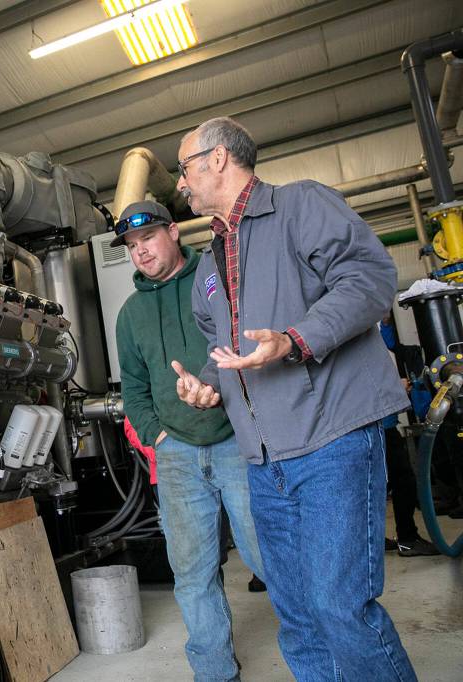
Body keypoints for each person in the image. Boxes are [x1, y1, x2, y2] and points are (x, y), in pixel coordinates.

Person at [171, 116, 417, 681]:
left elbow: (370, 277)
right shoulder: (207, 266)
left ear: (218, 159)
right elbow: (224, 347)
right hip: (262, 459)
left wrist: (295, 340)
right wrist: (207, 383)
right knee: (299, 617)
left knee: (339, 607)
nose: (180, 183)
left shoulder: (301, 206)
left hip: (332, 439)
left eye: (184, 168)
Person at [114, 199, 266, 682]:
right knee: (192, 574)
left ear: (174, 232)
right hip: (176, 452)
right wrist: (158, 436)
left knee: (270, 556)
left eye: (149, 239)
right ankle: (216, 673)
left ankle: (314, 658)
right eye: (132, 247)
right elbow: (133, 388)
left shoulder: (214, 279)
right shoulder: (130, 314)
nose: (141, 253)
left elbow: (246, 345)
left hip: (235, 442)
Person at [378, 314, 438, 556]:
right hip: (378, 423)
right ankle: (408, 538)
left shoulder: (374, 330)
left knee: (381, 484)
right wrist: (395, 386)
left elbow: (389, 344)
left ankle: (372, 539)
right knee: (402, 481)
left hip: (384, 420)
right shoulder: (356, 329)